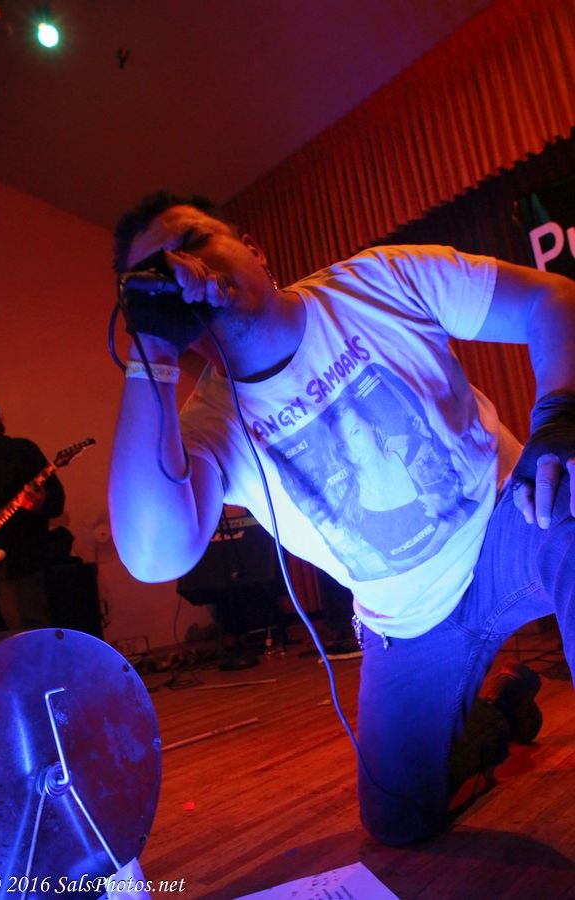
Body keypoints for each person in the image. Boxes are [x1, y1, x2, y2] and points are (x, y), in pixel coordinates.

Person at [108, 192, 575, 846]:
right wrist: (151, 351)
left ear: (253, 250)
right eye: (159, 271)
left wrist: (559, 415)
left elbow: (551, 298)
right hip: (407, 626)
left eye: (193, 241)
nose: (185, 269)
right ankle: (496, 707)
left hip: (509, 529)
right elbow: (155, 557)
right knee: (396, 821)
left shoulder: (376, 281)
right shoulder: (211, 424)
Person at [0, 390, 65, 631]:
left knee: (29, 638)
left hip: (19, 567)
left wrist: (41, 502)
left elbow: (57, 499)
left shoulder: (23, 451)